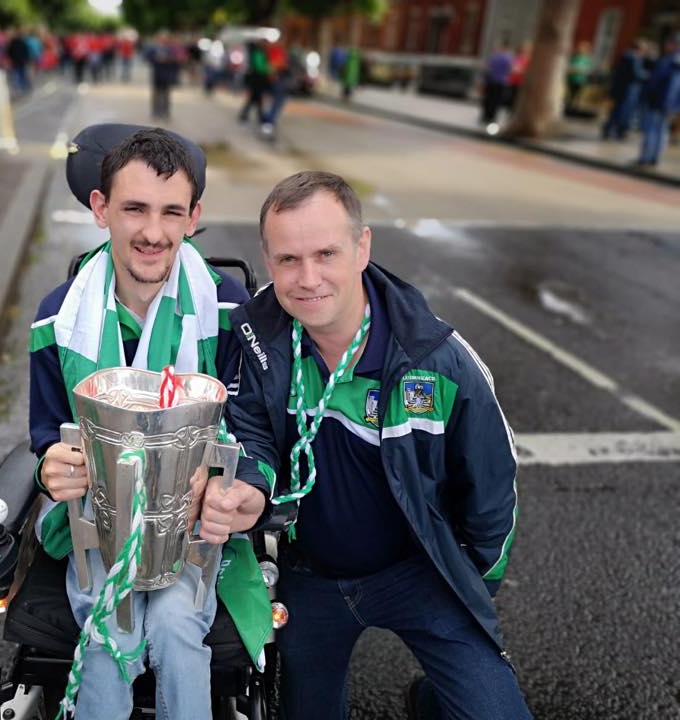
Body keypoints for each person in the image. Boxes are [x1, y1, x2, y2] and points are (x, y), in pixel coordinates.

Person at [225, 171, 531, 720]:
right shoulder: (256, 336)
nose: (309, 277)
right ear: (268, 261)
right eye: (289, 259)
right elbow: (248, 428)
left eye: (327, 253)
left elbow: (492, 482)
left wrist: (472, 582)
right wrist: (252, 481)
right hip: (310, 576)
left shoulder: (438, 359)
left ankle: (438, 700)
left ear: (363, 247)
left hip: (419, 571)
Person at [28, 127, 271, 719]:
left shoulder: (231, 306)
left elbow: (254, 426)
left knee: (176, 624)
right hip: (96, 532)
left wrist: (238, 486)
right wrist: (48, 468)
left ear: (193, 218)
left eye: (171, 212)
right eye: (134, 208)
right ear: (100, 208)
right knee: (112, 634)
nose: (153, 233)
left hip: (190, 534)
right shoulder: (59, 317)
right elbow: (46, 432)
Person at [636, 36, 680, 167]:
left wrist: (647, 96)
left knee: (652, 130)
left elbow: (661, 83)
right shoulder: (672, 61)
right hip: (667, 104)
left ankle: (646, 158)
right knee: (661, 131)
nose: (667, 45)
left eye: (669, 43)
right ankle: (653, 158)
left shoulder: (669, 61)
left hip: (658, 102)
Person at [603, 40, 648, 140]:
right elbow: (636, 74)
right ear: (639, 49)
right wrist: (648, 76)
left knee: (616, 111)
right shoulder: (633, 58)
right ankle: (618, 131)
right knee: (623, 112)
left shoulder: (625, 56)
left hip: (621, 90)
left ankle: (609, 130)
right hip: (628, 91)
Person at [481, 44, 513, 125]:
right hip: (501, 82)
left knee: (488, 100)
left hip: (491, 81)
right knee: (496, 101)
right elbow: (510, 69)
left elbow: (487, 67)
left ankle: (485, 116)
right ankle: (492, 117)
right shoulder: (507, 58)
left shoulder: (494, 57)